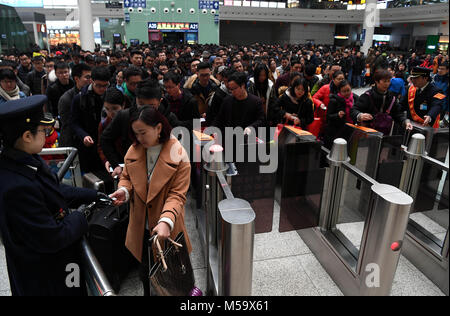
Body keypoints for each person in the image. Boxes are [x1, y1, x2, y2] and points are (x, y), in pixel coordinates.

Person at [0, 95, 106, 296]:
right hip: (46, 277)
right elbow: (52, 237)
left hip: (62, 266)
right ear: (27, 136)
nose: (49, 134)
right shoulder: (14, 186)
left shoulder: (25, 159)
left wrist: (93, 195)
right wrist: (81, 216)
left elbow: (53, 191)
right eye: (44, 130)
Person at [109, 105, 192, 297]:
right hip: (141, 228)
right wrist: (124, 190)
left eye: (142, 132)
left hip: (166, 229)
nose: (138, 138)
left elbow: (177, 195)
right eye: (135, 133)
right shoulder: (134, 150)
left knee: (170, 279)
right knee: (146, 274)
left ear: (159, 128)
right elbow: (128, 177)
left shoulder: (178, 154)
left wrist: (166, 221)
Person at [71, 66, 110, 173]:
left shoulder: (110, 95)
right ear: (92, 81)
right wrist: (83, 135)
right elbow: (74, 122)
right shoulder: (80, 98)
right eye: (98, 85)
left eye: (105, 85)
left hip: (106, 143)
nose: (102, 89)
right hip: (88, 145)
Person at [352, 69, 412, 135]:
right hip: (367, 133)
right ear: (377, 81)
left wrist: (405, 121)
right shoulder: (367, 96)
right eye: (384, 81)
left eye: (388, 81)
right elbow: (354, 110)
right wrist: (360, 115)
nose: (387, 84)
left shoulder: (392, 97)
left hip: (385, 134)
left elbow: (397, 113)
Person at [58, 63, 92, 147]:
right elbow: (68, 125)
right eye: (87, 77)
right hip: (73, 142)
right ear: (76, 78)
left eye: (92, 77)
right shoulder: (66, 99)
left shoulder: (93, 94)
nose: (91, 80)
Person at [98, 87, 125, 174]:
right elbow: (101, 146)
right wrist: (106, 160)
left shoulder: (132, 120)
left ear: (123, 105)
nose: (111, 113)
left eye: (115, 109)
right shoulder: (104, 124)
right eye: (107, 109)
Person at [324, 80, 359, 148]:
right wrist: (337, 115)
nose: (347, 93)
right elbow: (328, 116)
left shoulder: (355, 98)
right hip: (336, 132)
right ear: (339, 91)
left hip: (350, 129)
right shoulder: (334, 100)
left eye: (348, 90)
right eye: (344, 91)